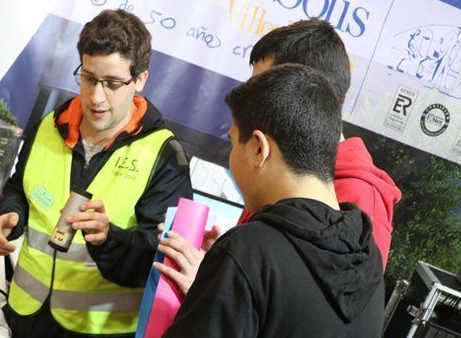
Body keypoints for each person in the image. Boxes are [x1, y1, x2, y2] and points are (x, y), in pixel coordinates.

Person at [112, 64, 385, 338]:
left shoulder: (252, 252)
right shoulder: (367, 261)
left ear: (258, 148)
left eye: (233, 142)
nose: (232, 158)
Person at [0, 9, 192, 338]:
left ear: (140, 81)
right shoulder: (51, 124)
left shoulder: (164, 156)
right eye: (88, 78)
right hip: (26, 325)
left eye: (113, 83)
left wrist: (108, 239)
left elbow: (164, 262)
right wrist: (9, 213)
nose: (97, 97)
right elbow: (20, 187)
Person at [156, 17, 401, 295]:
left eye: (264, 85)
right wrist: (225, 262)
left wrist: (212, 287)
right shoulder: (283, 164)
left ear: (303, 88)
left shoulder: (359, 199)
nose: (250, 100)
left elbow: (309, 315)